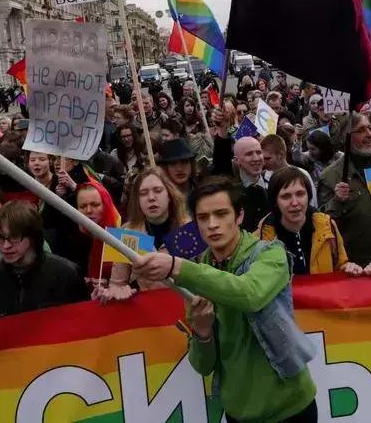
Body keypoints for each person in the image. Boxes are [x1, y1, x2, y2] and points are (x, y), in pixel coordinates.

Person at [132, 179, 318, 422]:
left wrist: (177, 267)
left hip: (291, 410)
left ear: (239, 216)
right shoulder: (198, 275)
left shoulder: (271, 254)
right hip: (237, 413)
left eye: (221, 214)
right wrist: (202, 332)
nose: (212, 225)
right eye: (203, 217)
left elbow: (250, 294)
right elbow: (203, 365)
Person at [0, 202, 86, 323]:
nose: (6, 246)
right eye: (0, 238)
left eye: (14, 237)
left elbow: (83, 322)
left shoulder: (66, 274)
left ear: (33, 236)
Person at [318, 113, 371, 266]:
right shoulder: (330, 177)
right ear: (346, 137)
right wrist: (336, 201)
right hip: (354, 267)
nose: (370, 134)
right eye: (361, 130)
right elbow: (323, 225)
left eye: (370, 128)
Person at [257, 166, 371, 277]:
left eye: (300, 194)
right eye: (286, 196)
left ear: (309, 195)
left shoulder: (327, 225)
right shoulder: (262, 235)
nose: (295, 202)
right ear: (275, 201)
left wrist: (350, 268)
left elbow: (340, 265)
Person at [97, 168, 191, 300]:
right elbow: (116, 283)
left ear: (170, 195)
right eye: (143, 193)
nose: (151, 198)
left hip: (186, 310)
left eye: (158, 191)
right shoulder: (127, 233)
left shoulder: (191, 230)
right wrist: (118, 290)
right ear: (138, 200)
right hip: (148, 313)